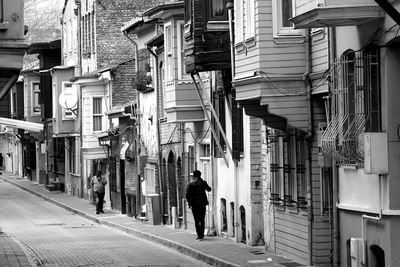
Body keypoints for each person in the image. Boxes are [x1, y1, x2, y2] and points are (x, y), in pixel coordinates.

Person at [185, 170, 212, 240]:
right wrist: (203, 182)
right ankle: (202, 234)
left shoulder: (190, 184)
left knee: (196, 220)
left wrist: (189, 203)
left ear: (193, 176)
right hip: (202, 203)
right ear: (200, 175)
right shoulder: (203, 182)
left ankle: (199, 234)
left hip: (194, 204)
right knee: (202, 219)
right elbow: (209, 189)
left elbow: (187, 195)